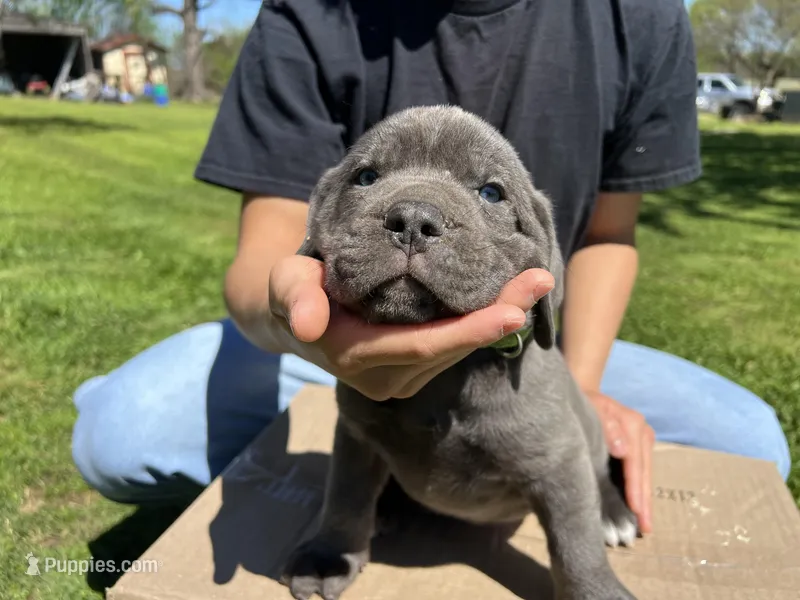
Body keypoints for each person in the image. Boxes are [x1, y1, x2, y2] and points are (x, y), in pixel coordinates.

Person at [71, 0, 791, 534]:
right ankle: (389, 475)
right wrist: (306, 328)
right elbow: (266, 251)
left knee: (752, 446)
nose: (416, 218)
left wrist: (581, 392)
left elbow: (606, 233)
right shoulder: (312, 13)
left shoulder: (637, 16)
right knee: (121, 434)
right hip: (340, 343)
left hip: (528, 348)